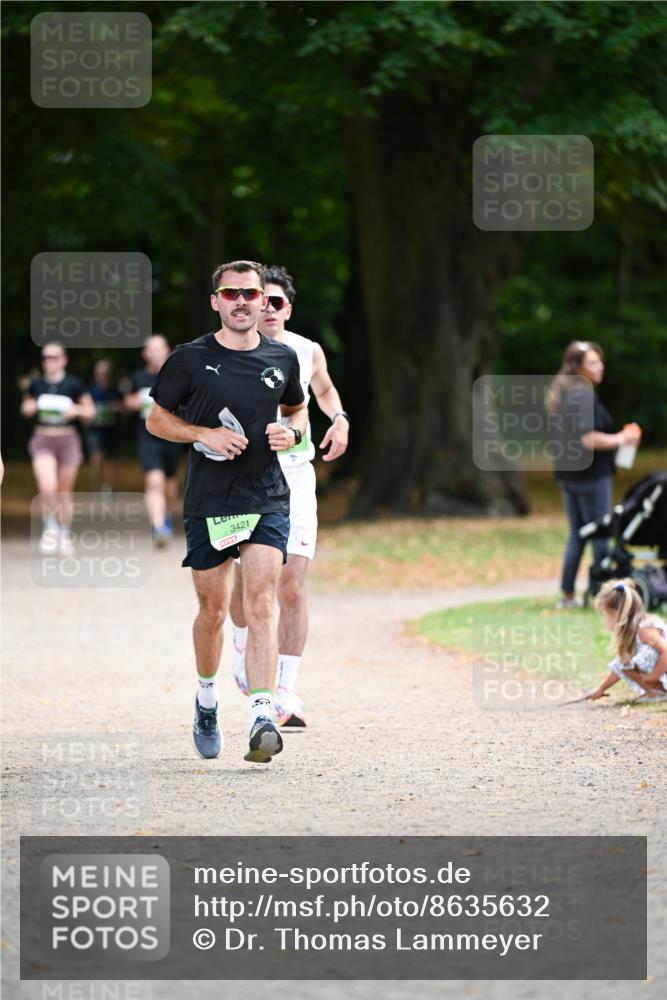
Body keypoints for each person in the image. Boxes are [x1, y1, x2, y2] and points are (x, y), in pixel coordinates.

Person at [145, 260, 307, 763]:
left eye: (251, 294)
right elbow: (156, 420)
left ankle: (262, 713)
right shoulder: (189, 360)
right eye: (230, 293)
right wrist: (203, 434)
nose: (241, 301)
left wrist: (294, 433)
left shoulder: (283, 358)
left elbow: (296, 410)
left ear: (265, 302)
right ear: (215, 301)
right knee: (214, 610)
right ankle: (207, 696)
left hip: (266, 497)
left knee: (260, 602)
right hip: (210, 501)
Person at [229, 265, 349, 728]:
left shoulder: (307, 349)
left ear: (288, 308)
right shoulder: (231, 351)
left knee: (292, 584)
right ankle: (243, 644)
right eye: (265, 300)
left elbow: (324, 389)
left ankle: (285, 690)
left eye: (279, 302)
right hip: (246, 478)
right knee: (248, 589)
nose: (271, 309)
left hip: (296, 477)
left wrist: (339, 417)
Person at [546, 341, 641, 608]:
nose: (600, 367)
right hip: (590, 475)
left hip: (568, 474)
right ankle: (606, 596)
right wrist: (621, 438)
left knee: (578, 533)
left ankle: (567, 595)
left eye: (600, 361)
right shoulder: (583, 395)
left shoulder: (565, 393)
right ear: (577, 367)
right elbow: (587, 439)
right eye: (592, 363)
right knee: (600, 532)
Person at [20, 342, 95, 555]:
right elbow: (25, 408)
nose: (49, 361)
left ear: (63, 359)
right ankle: (50, 528)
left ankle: (64, 533)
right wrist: (30, 407)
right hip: (43, 439)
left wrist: (76, 411)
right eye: (45, 358)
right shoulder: (36, 384)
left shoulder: (74, 384)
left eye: (53, 357)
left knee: (63, 491)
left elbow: (91, 412)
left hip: (68, 440)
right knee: (48, 487)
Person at [125, 335, 184, 546]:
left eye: (160, 349)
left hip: (172, 436)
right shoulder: (138, 377)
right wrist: (138, 402)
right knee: (154, 480)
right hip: (147, 437)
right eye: (152, 350)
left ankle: (165, 517)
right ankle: (158, 527)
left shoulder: (177, 375)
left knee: (170, 486)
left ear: (167, 351)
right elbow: (128, 400)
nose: (156, 353)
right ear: (145, 354)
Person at [587, 579, 667, 701]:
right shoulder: (631, 634)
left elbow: (665, 652)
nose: (604, 620)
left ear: (619, 615)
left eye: (605, 615)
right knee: (625, 661)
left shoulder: (645, 630)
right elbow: (620, 666)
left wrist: (654, 676)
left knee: (636, 658)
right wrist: (601, 689)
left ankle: (657, 690)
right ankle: (654, 691)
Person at [88, 360, 124, 494]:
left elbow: (124, 408)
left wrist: (117, 407)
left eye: (105, 373)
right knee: (96, 459)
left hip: (112, 431)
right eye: (99, 373)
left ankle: (111, 489)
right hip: (95, 431)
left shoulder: (116, 391)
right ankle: (96, 489)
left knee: (111, 461)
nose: (102, 375)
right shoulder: (90, 392)